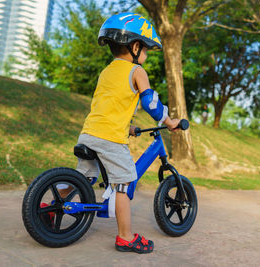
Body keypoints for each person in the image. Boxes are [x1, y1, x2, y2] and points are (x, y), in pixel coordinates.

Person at [75, 12, 180, 254]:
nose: (145, 55)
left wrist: (129, 127)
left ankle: (52, 205)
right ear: (135, 46)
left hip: (89, 133)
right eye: (145, 49)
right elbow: (151, 104)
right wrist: (169, 121)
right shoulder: (137, 71)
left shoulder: (107, 71)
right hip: (109, 139)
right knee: (125, 180)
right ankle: (125, 237)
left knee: (84, 177)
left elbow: (109, 107)